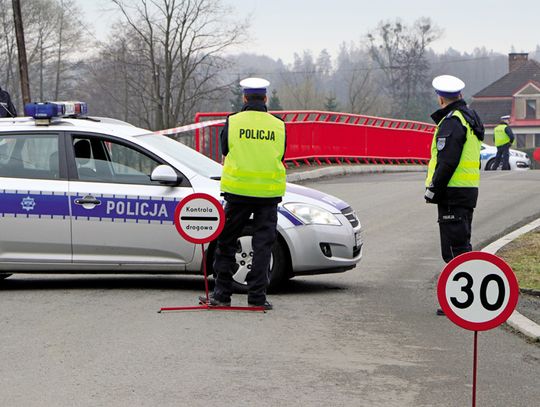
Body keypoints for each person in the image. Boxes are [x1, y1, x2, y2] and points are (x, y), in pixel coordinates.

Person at [200, 77, 286, 310]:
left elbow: (224, 149)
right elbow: (281, 155)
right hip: (268, 194)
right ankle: (257, 297)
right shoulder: (278, 125)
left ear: (244, 98)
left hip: (237, 192)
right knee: (262, 246)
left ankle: (221, 295)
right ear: (266, 98)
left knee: (226, 242)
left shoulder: (234, 122)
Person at [424, 75, 485, 315]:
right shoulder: (469, 118)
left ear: (441, 98)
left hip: (452, 193)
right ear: (459, 96)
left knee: (453, 250)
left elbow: (447, 161)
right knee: (461, 245)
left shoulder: (451, 122)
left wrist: (433, 190)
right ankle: (463, 301)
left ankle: (459, 303)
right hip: (466, 191)